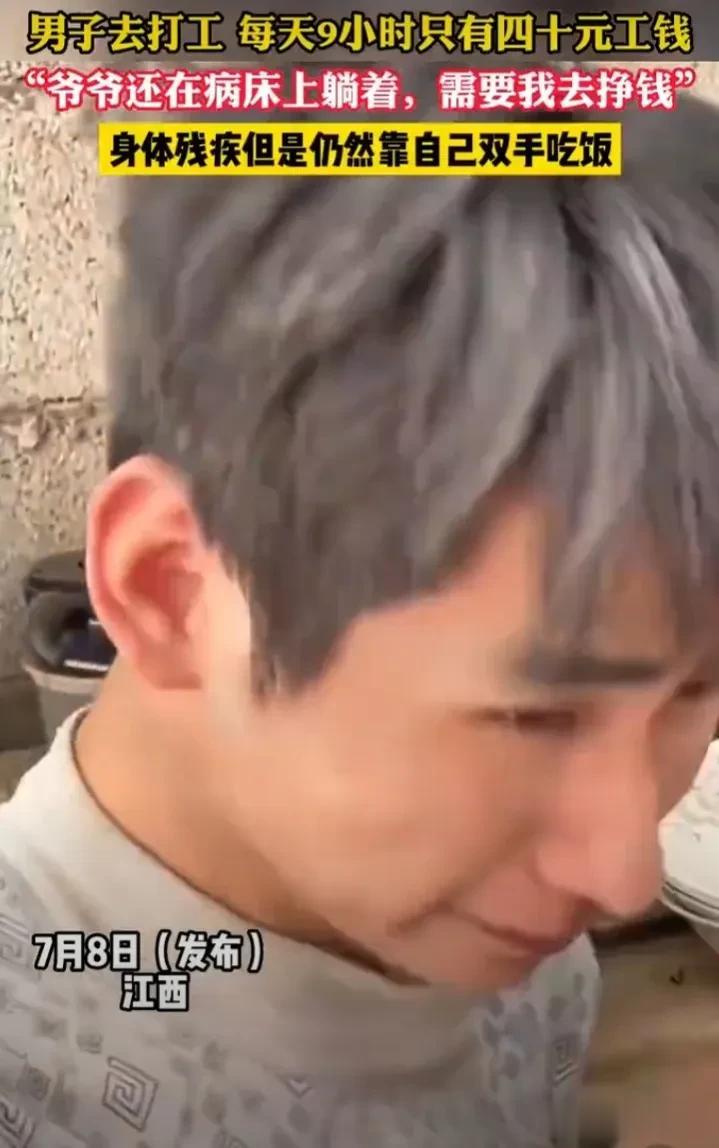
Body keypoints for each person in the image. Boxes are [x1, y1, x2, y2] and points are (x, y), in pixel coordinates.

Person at [3, 73, 719, 1148]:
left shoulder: (522, 952)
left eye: (699, 690)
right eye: (532, 716)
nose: (623, 873)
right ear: (173, 589)